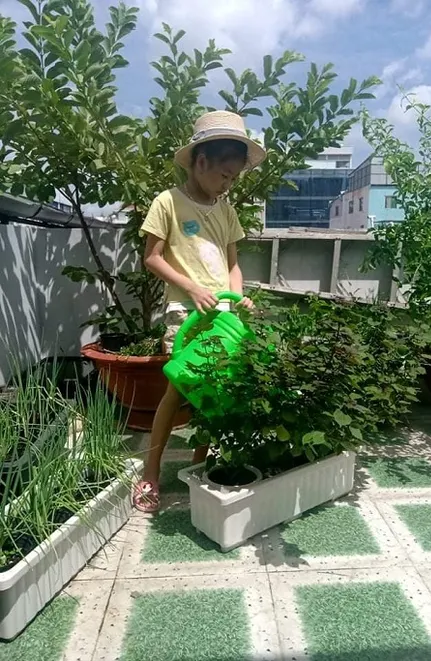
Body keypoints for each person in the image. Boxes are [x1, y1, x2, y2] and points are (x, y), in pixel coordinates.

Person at [132, 110, 267, 513]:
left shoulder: (226, 211)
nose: (229, 184)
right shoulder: (168, 203)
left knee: (213, 394)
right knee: (177, 390)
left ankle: (199, 468)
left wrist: (236, 298)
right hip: (185, 313)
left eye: (234, 178)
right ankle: (151, 471)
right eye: (225, 175)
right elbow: (152, 258)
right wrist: (191, 288)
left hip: (221, 316)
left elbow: (232, 266)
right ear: (201, 161)